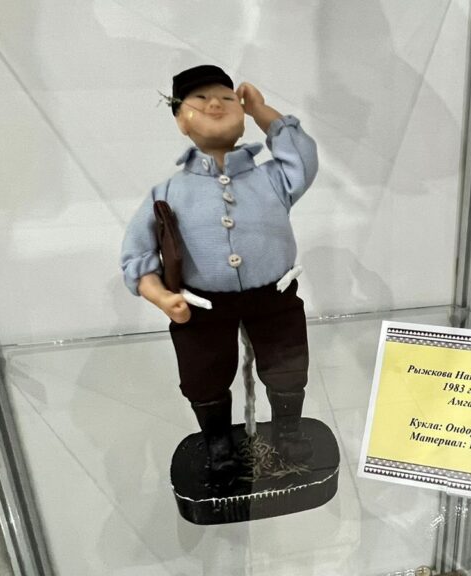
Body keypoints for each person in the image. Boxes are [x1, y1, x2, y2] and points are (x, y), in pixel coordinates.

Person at [120, 65, 318, 477]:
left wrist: (263, 111)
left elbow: (302, 156)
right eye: (201, 99)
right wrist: (161, 296)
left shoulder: (272, 179)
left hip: (274, 296)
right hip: (201, 304)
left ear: (242, 115)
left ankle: (288, 430)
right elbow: (137, 255)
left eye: (227, 98)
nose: (215, 104)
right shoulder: (168, 192)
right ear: (181, 120)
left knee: (287, 365)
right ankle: (217, 441)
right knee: (203, 373)